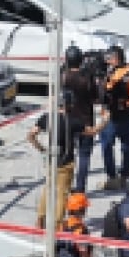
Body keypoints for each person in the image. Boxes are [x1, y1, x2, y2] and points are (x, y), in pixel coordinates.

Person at [29, 91, 87, 229]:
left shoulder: (47, 118)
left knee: (47, 190)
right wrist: (104, 122)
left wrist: (41, 148)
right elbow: (92, 131)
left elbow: (31, 135)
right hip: (66, 163)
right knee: (62, 194)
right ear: (70, 104)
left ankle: (40, 219)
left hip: (51, 161)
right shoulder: (73, 121)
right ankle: (57, 224)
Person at [99, 46, 129, 191]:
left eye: (110, 57)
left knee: (106, 145)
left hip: (112, 115)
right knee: (126, 145)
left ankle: (112, 177)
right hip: (126, 114)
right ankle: (124, 176)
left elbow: (104, 94)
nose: (107, 60)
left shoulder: (114, 74)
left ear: (117, 58)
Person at [62, 45, 99, 193]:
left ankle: (66, 185)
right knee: (84, 155)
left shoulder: (64, 77)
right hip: (86, 119)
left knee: (68, 154)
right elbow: (96, 97)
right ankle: (80, 187)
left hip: (68, 120)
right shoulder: (87, 77)